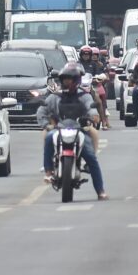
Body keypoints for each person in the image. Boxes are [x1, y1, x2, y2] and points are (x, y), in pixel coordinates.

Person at [38, 66, 108, 201]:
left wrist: (92, 117)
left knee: (92, 159)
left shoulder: (84, 96)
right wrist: (46, 124)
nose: (67, 83)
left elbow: (91, 108)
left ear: (76, 81)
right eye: (65, 80)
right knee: (48, 138)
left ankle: (100, 191)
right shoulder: (55, 97)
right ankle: (48, 170)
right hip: (59, 129)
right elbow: (42, 110)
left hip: (80, 130)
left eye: (70, 80)